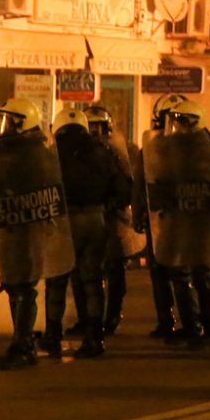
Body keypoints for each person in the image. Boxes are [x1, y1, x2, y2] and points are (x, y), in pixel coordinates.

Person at [0, 98, 72, 370]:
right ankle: (22, 339)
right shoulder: (7, 153)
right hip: (10, 228)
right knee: (13, 284)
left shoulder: (35, 155)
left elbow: (42, 190)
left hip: (28, 230)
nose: (4, 126)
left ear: (23, 123)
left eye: (10, 120)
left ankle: (24, 343)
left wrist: (4, 194)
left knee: (24, 285)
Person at [40, 106, 129, 359]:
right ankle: (94, 338)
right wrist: (106, 205)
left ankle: (53, 335)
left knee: (56, 280)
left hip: (61, 220)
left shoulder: (50, 154)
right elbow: (123, 190)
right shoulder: (104, 152)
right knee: (92, 281)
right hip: (94, 220)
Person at [143, 99, 210, 350]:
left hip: (200, 220)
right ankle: (191, 327)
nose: (175, 125)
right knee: (178, 273)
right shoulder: (169, 149)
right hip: (178, 219)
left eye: (180, 120)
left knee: (202, 275)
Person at [132, 93, 186, 339]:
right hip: (159, 217)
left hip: (183, 219)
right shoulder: (150, 148)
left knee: (180, 273)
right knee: (161, 273)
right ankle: (168, 321)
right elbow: (140, 185)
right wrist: (140, 212)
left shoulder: (197, 146)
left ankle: (190, 323)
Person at [85, 104, 136, 336]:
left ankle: (112, 316)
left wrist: (114, 201)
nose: (94, 131)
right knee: (88, 270)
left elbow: (127, 184)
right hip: (90, 215)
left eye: (98, 127)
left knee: (114, 269)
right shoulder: (81, 152)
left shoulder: (116, 151)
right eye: (90, 126)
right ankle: (89, 317)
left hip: (112, 218)